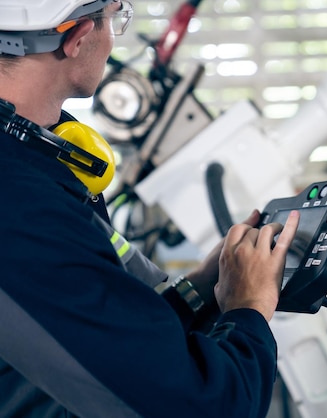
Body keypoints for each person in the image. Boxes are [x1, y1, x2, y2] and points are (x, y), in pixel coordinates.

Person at [0, 1, 300, 417]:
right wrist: (249, 307)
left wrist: (200, 291)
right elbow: (205, 406)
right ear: (78, 37)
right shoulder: (23, 206)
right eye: (115, 19)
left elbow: (92, 337)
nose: (111, 40)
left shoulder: (31, 163)